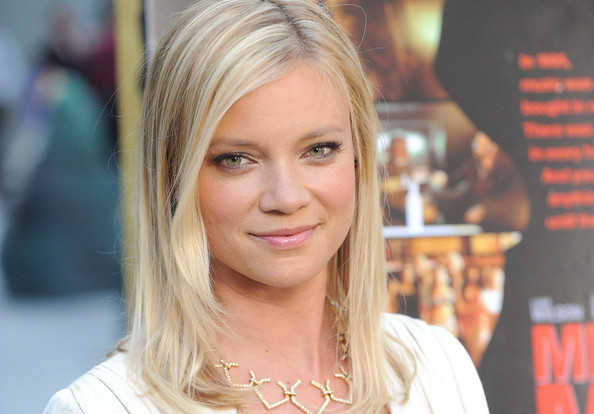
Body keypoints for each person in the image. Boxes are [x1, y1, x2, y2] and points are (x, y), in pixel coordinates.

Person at [44, 0, 489, 412]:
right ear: (173, 177)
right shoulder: (100, 407)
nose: (287, 197)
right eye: (236, 160)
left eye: (318, 150)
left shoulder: (438, 369)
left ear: (359, 158)